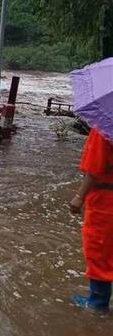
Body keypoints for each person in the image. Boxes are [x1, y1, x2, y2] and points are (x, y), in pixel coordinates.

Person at [69, 127, 113, 312]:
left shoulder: (105, 127)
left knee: (98, 247)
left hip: (106, 198)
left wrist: (79, 197)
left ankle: (97, 303)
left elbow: (94, 169)